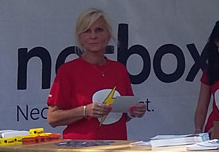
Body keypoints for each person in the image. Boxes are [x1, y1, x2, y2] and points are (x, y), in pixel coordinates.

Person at [46, 9, 147, 140]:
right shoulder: (67, 71)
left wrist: (134, 111)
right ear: (80, 37)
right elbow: (52, 118)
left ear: (108, 35)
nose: (93, 36)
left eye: (99, 30)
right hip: (80, 148)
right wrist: (85, 111)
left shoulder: (119, 70)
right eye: (87, 31)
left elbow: (119, 115)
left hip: (117, 146)